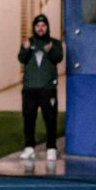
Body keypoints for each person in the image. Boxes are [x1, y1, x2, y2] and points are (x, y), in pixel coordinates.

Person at [18, 14, 63, 161]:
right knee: (29, 118)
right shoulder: (28, 43)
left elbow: (58, 58)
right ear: (34, 28)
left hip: (47, 89)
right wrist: (25, 49)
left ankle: (51, 148)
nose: (40, 28)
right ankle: (29, 147)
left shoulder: (54, 43)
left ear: (47, 27)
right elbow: (21, 58)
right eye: (38, 26)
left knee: (50, 119)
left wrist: (50, 51)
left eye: (43, 26)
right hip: (29, 89)